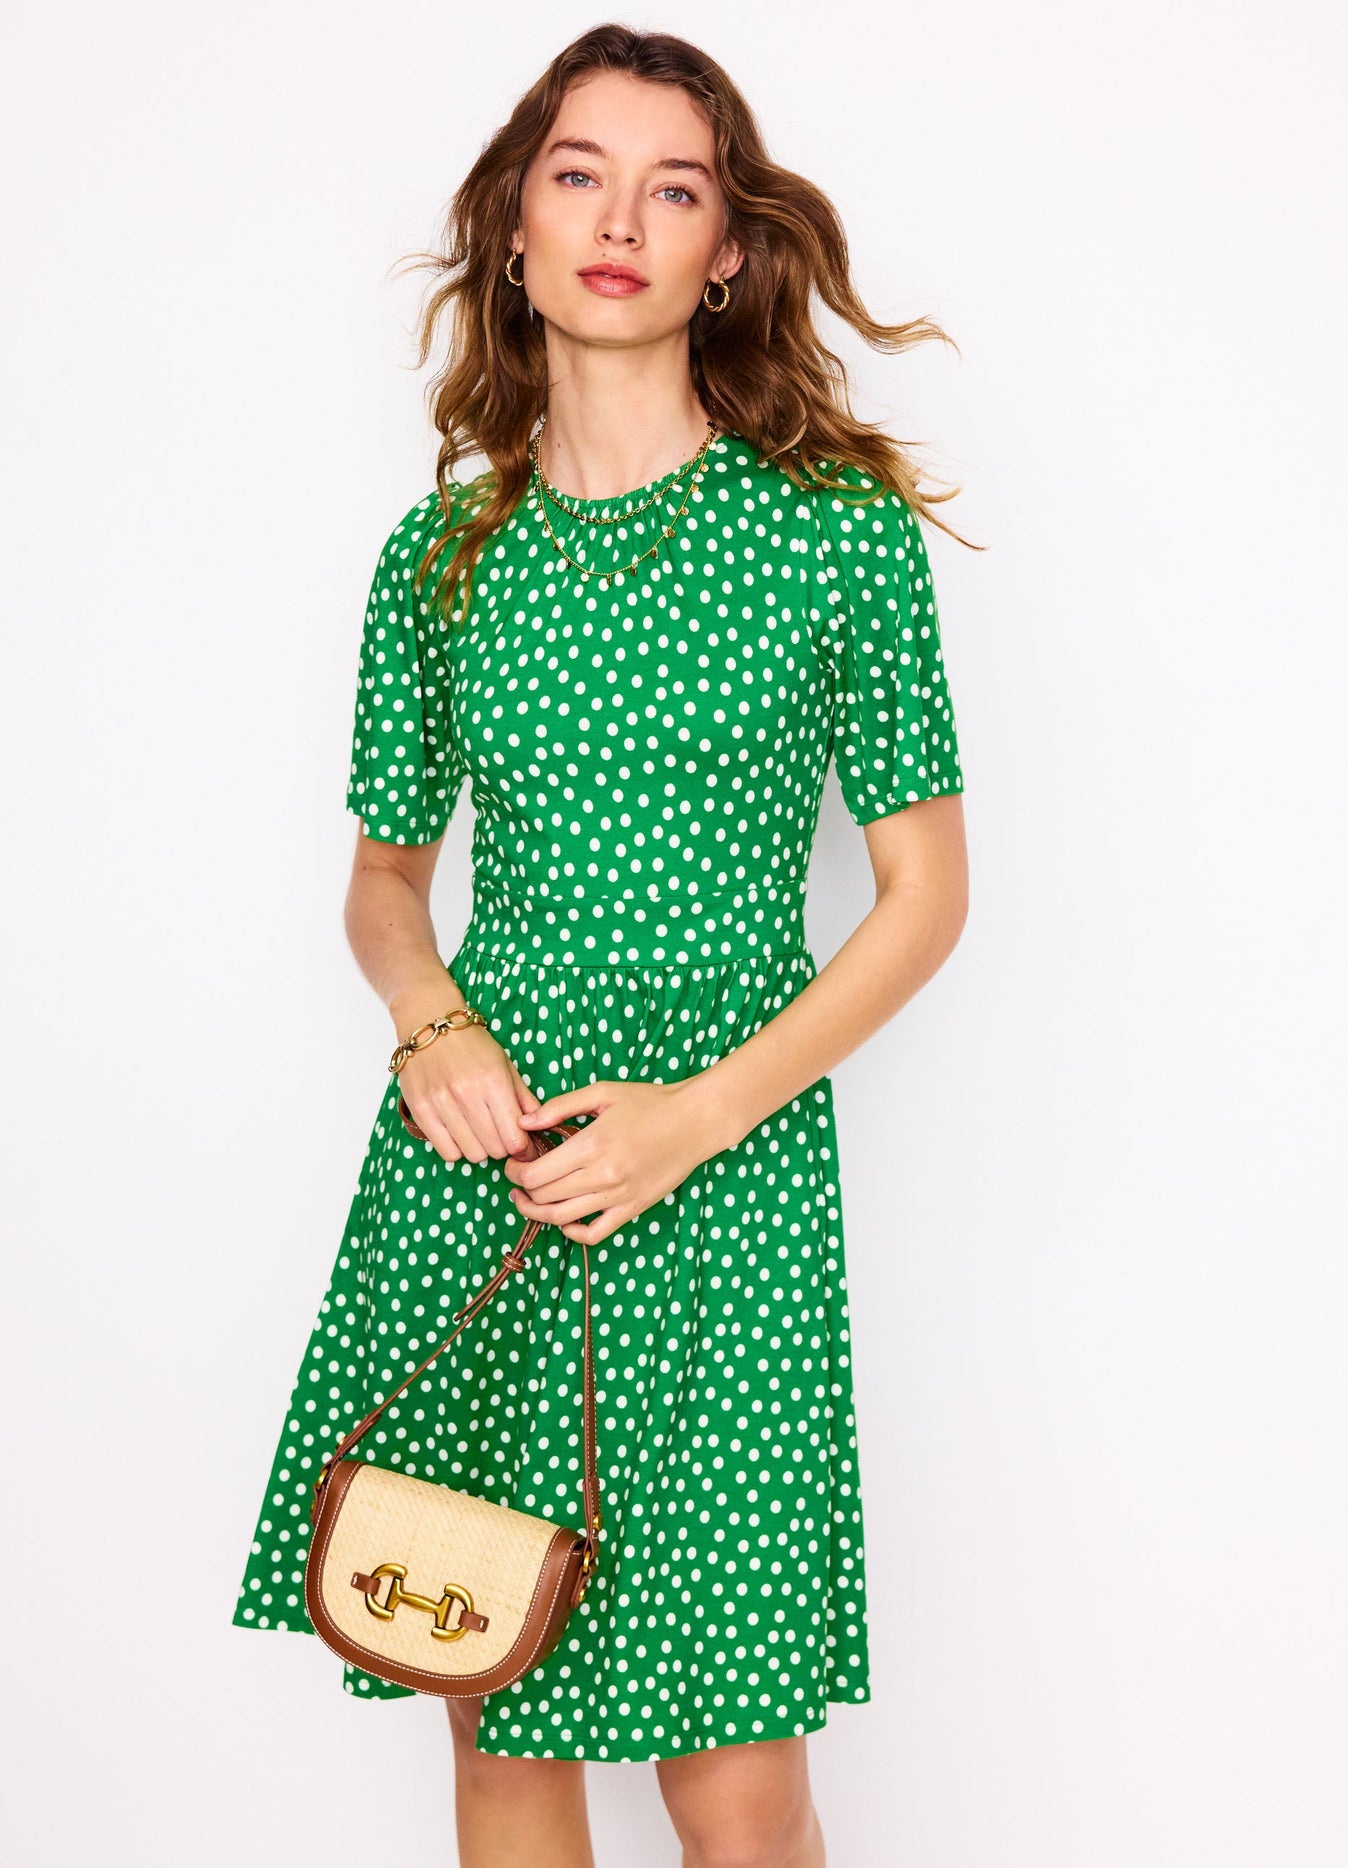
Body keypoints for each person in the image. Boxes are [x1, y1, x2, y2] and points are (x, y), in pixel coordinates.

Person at [231, 23, 974, 1868]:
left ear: (727, 250)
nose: (621, 220)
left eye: (674, 188)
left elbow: (926, 898)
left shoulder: (830, 538)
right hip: (485, 1160)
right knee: (495, 1701)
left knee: (736, 1781)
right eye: (580, 175)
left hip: (723, 1170)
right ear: (516, 225)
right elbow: (382, 880)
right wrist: (429, 1025)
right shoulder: (441, 555)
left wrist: (692, 1119)